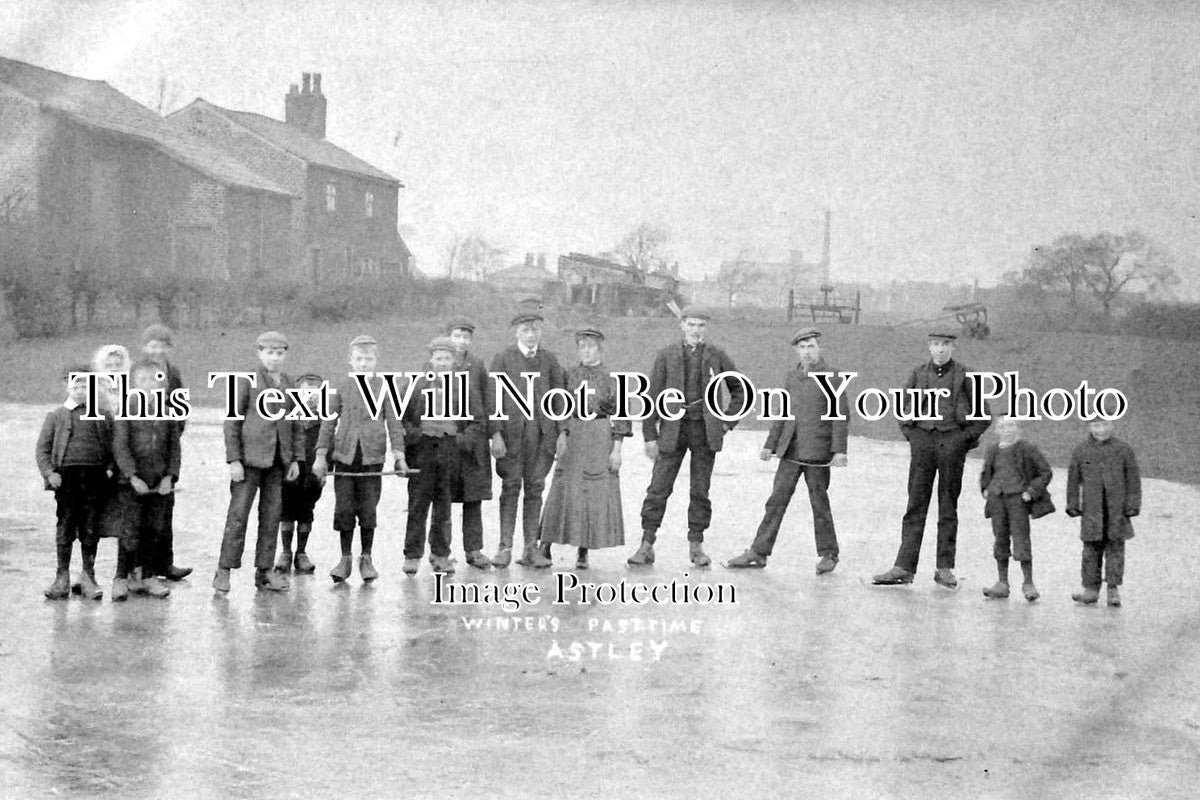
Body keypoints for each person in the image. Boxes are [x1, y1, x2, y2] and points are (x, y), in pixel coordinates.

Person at [873, 330, 991, 588]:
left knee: (948, 506)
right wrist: (912, 434)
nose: (940, 350)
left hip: (952, 444)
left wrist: (963, 440)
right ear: (929, 347)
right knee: (915, 504)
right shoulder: (918, 373)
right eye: (936, 344)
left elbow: (984, 416)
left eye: (945, 345)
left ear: (953, 347)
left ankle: (944, 568)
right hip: (923, 444)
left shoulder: (966, 375)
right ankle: (904, 566)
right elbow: (902, 406)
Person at [629, 306, 745, 568]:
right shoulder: (667, 356)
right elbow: (652, 397)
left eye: (701, 325)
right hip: (672, 431)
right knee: (658, 489)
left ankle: (696, 545)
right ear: (682, 325)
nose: (696, 330)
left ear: (707, 328)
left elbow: (740, 391)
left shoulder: (717, 356)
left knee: (700, 491)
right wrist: (649, 435)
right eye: (691, 325)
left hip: (704, 433)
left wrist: (726, 422)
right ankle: (646, 545)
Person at [726, 327, 848, 574]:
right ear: (796, 350)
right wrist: (770, 444)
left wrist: (839, 450)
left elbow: (841, 416)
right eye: (802, 347)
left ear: (819, 348)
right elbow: (782, 414)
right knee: (776, 502)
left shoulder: (834, 376)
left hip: (817, 453)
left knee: (819, 504)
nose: (806, 352)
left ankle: (829, 554)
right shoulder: (792, 377)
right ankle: (758, 553)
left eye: (811, 346)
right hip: (790, 451)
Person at [213, 331, 303, 593]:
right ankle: (223, 570)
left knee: (272, 516)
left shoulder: (289, 383)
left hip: (278, 463)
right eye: (270, 353)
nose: (275, 358)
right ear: (259, 353)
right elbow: (232, 422)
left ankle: (264, 571)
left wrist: (296, 459)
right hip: (248, 463)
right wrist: (234, 460)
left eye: (280, 353)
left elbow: (296, 425)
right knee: (238, 515)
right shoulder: (245, 381)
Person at [537, 328, 631, 569]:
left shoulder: (611, 378)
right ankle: (545, 545)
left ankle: (583, 550)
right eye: (582, 347)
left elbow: (620, 417)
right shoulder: (569, 374)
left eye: (591, 347)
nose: (586, 351)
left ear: (600, 349)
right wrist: (563, 433)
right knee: (562, 488)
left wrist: (617, 450)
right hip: (573, 434)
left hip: (599, 436)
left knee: (592, 492)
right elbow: (560, 406)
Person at [313, 335, 404, 583]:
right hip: (344, 457)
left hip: (372, 459)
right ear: (350, 361)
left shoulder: (385, 388)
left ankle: (366, 557)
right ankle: (345, 558)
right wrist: (321, 456)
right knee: (344, 509)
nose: (364, 364)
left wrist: (399, 456)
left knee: (367, 509)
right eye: (359, 359)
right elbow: (328, 423)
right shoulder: (342, 387)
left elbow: (394, 425)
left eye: (369, 359)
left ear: (376, 361)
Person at [488, 311, 567, 568]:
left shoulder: (550, 360)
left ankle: (531, 548)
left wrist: (562, 432)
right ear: (517, 332)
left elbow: (560, 398)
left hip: (542, 436)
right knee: (510, 488)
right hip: (511, 437)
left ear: (540, 333)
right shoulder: (503, 359)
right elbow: (494, 398)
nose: (531, 335)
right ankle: (505, 547)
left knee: (535, 489)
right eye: (525, 330)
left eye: (535, 330)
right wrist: (496, 433)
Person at [402, 337, 484, 573]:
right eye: (438, 359)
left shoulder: (464, 388)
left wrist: (459, 440)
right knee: (417, 505)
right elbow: (402, 420)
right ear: (431, 360)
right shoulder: (416, 386)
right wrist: (418, 435)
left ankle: (440, 554)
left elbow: (478, 422)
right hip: (422, 454)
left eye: (447, 359)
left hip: (450, 455)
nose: (442, 363)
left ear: (454, 361)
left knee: (443, 507)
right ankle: (412, 555)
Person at [35, 364, 112, 600]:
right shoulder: (56, 415)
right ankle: (62, 577)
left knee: (90, 527)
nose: (79, 390)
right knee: (66, 525)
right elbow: (42, 450)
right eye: (75, 385)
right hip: (66, 479)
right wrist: (50, 473)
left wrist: (109, 469)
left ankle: (88, 576)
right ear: (66, 386)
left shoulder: (102, 415)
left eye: (84, 385)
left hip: (94, 478)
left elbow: (111, 447)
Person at [110, 359, 178, 601]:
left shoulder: (169, 412)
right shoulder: (126, 408)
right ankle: (121, 578)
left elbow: (174, 448)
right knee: (130, 530)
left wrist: (170, 477)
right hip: (131, 484)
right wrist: (131, 476)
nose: (150, 385)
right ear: (134, 384)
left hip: (160, 484)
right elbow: (120, 446)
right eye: (143, 380)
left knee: (154, 530)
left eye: (155, 380)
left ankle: (148, 576)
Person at [434, 319, 494, 570]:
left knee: (473, 498)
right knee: (442, 499)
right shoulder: (433, 365)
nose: (461, 341)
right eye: (457, 335)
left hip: (471, 443)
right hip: (442, 442)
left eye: (466, 337)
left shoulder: (477, 365)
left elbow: (485, 402)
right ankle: (440, 552)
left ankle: (474, 550)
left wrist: (478, 435)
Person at [1066, 418, 1141, 607]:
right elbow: (1073, 480)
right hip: (1092, 510)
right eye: (1096, 425)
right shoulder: (1081, 451)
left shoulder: (1123, 450)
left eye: (1105, 424)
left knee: (1115, 549)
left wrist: (1132, 504)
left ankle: (1113, 589)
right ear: (1089, 427)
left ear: (1113, 425)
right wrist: (1073, 503)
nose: (1100, 429)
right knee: (1090, 550)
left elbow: (1133, 479)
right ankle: (1090, 589)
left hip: (1117, 510)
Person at [978, 416, 1054, 602]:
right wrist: (986, 489)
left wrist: (1031, 491)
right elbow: (986, 472)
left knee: (1021, 539)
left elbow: (1045, 472)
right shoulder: (993, 449)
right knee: (1000, 539)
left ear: (1018, 427)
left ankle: (1028, 584)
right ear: (997, 430)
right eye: (1002, 426)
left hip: (1017, 500)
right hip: (997, 500)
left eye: (1011, 425)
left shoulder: (1027, 449)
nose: (1007, 429)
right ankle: (1002, 583)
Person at [140, 323, 192, 581]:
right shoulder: (138, 372)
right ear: (144, 347)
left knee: (165, 508)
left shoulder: (174, 372)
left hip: (165, 446)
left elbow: (181, 406)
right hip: (141, 449)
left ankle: (166, 563)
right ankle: (138, 567)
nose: (157, 350)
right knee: (139, 513)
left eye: (162, 345)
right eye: (152, 345)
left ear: (169, 348)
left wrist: (172, 433)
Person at [275, 373, 326, 575]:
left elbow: (328, 448)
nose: (310, 397)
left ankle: (302, 552)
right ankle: (286, 552)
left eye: (315, 393)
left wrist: (324, 471)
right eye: (306, 392)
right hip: (290, 473)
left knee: (306, 511)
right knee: (286, 510)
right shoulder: (288, 419)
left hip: (312, 475)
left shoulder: (324, 424)